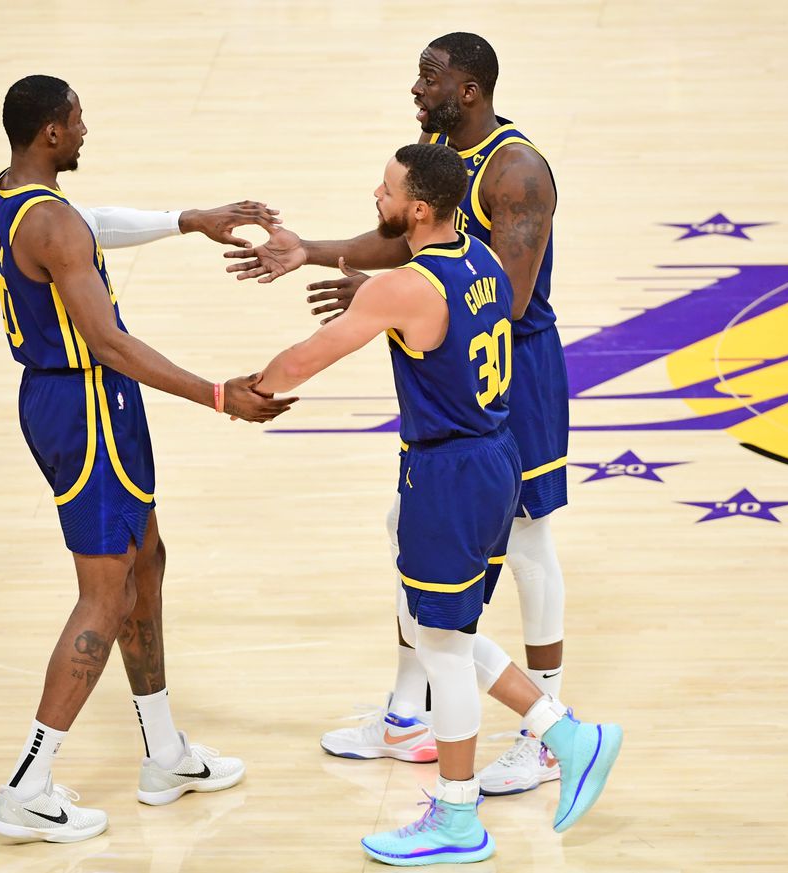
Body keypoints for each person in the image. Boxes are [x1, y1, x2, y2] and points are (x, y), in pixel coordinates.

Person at [250, 142, 619, 865]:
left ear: (418, 207)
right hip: (495, 458)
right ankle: (564, 731)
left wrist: (241, 392)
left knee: (442, 647)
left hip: (447, 472)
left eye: (385, 188)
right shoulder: (484, 260)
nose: (375, 194)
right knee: (437, 627)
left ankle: (458, 815)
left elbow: (307, 357)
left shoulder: (404, 287)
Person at [227, 31, 570, 796]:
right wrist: (312, 251)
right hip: (453, 347)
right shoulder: (435, 152)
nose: (417, 91)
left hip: (514, 359)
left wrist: (391, 305)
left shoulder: (517, 172)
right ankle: (407, 712)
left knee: (528, 541)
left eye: (429, 79)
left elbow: (502, 300)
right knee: (407, 532)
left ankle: (546, 728)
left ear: (470, 90)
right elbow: (406, 236)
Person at [0, 74, 296, 843]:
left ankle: (163, 752)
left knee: (146, 560)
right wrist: (217, 394)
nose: (87, 130)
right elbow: (110, 341)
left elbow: (90, 229)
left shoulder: (12, 194)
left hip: (78, 401)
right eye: (79, 120)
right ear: (52, 132)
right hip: (87, 403)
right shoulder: (51, 223)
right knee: (105, 592)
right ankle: (27, 782)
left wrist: (189, 219)